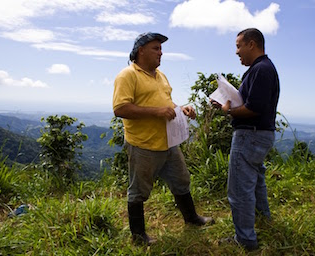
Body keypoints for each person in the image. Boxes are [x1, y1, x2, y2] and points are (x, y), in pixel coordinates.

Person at [112, 32, 214, 245]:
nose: (161, 52)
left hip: (168, 141)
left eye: (161, 48)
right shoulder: (127, 75)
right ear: (141, 51)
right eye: (155, 48)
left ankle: (192, 218)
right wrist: (156, 112)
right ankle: (139, 237)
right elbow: (120, 108)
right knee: (138, 191)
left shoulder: (160, 75)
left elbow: (166, 102)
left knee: (181, 180)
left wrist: (181, 108)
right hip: (143, 145)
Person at [212, 28, 280, 251]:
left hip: (250, 134)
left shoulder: (261, 70)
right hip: (260, 135)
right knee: (256, 180)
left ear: (252, 44)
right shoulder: (261, 69)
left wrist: (228, 111)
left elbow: (254, 109)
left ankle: (245, 239)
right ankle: (264, 219)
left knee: (240, 189)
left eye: (239, 46)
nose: (237, 52)